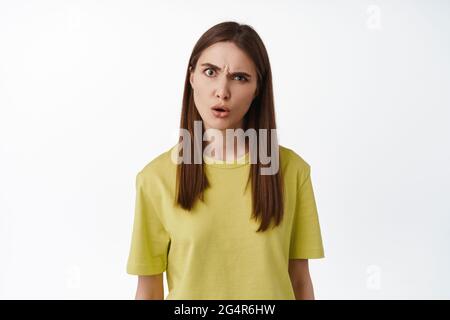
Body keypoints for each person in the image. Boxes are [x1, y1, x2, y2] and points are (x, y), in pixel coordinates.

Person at [126, 21, 325, 300]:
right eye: (210, 72)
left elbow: (300, 281)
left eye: (240, 77)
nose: (222, 91)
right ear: (192, 76)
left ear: (258, 88)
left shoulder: (292, 171)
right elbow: (148, 291)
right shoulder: (155, 178)